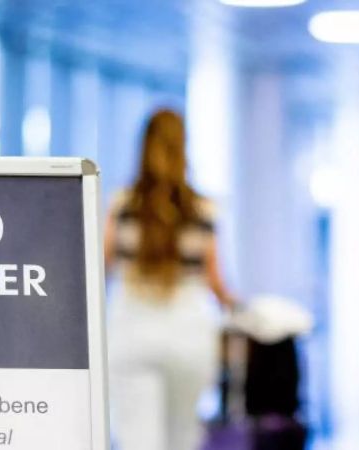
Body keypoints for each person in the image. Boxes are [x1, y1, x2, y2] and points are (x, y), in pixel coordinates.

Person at [104, 108, 236, 450]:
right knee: (182, 439)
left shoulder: (123, 205)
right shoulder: (203, 210)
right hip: (188, 336)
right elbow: (216, 283)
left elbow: (99, 270)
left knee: (138, 441)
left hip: (132, 332)